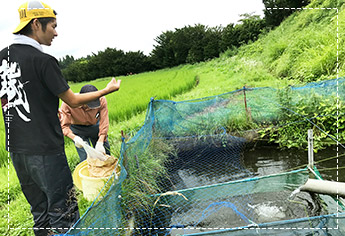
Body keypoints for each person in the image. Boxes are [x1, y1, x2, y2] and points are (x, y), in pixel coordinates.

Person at [0, 1, 121, 236]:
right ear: (36, 24)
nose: (56, 32)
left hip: (17, 150)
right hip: (45, 150)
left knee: (40, 211)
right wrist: (107, 91)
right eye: (53, 26)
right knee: (63, 211)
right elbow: (73, 100)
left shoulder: (1, 58)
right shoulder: (43, 60)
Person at [60, 84, 111, 162]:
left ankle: (109, 173)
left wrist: (101, 141)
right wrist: (74, 137)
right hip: (77, 129)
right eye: (88, 104)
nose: (89, 108)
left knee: (105, 154)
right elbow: (64, 126)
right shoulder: (68, 103)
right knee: (86, 159)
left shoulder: (101, 100)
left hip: (95, 126)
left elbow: (104, 121)